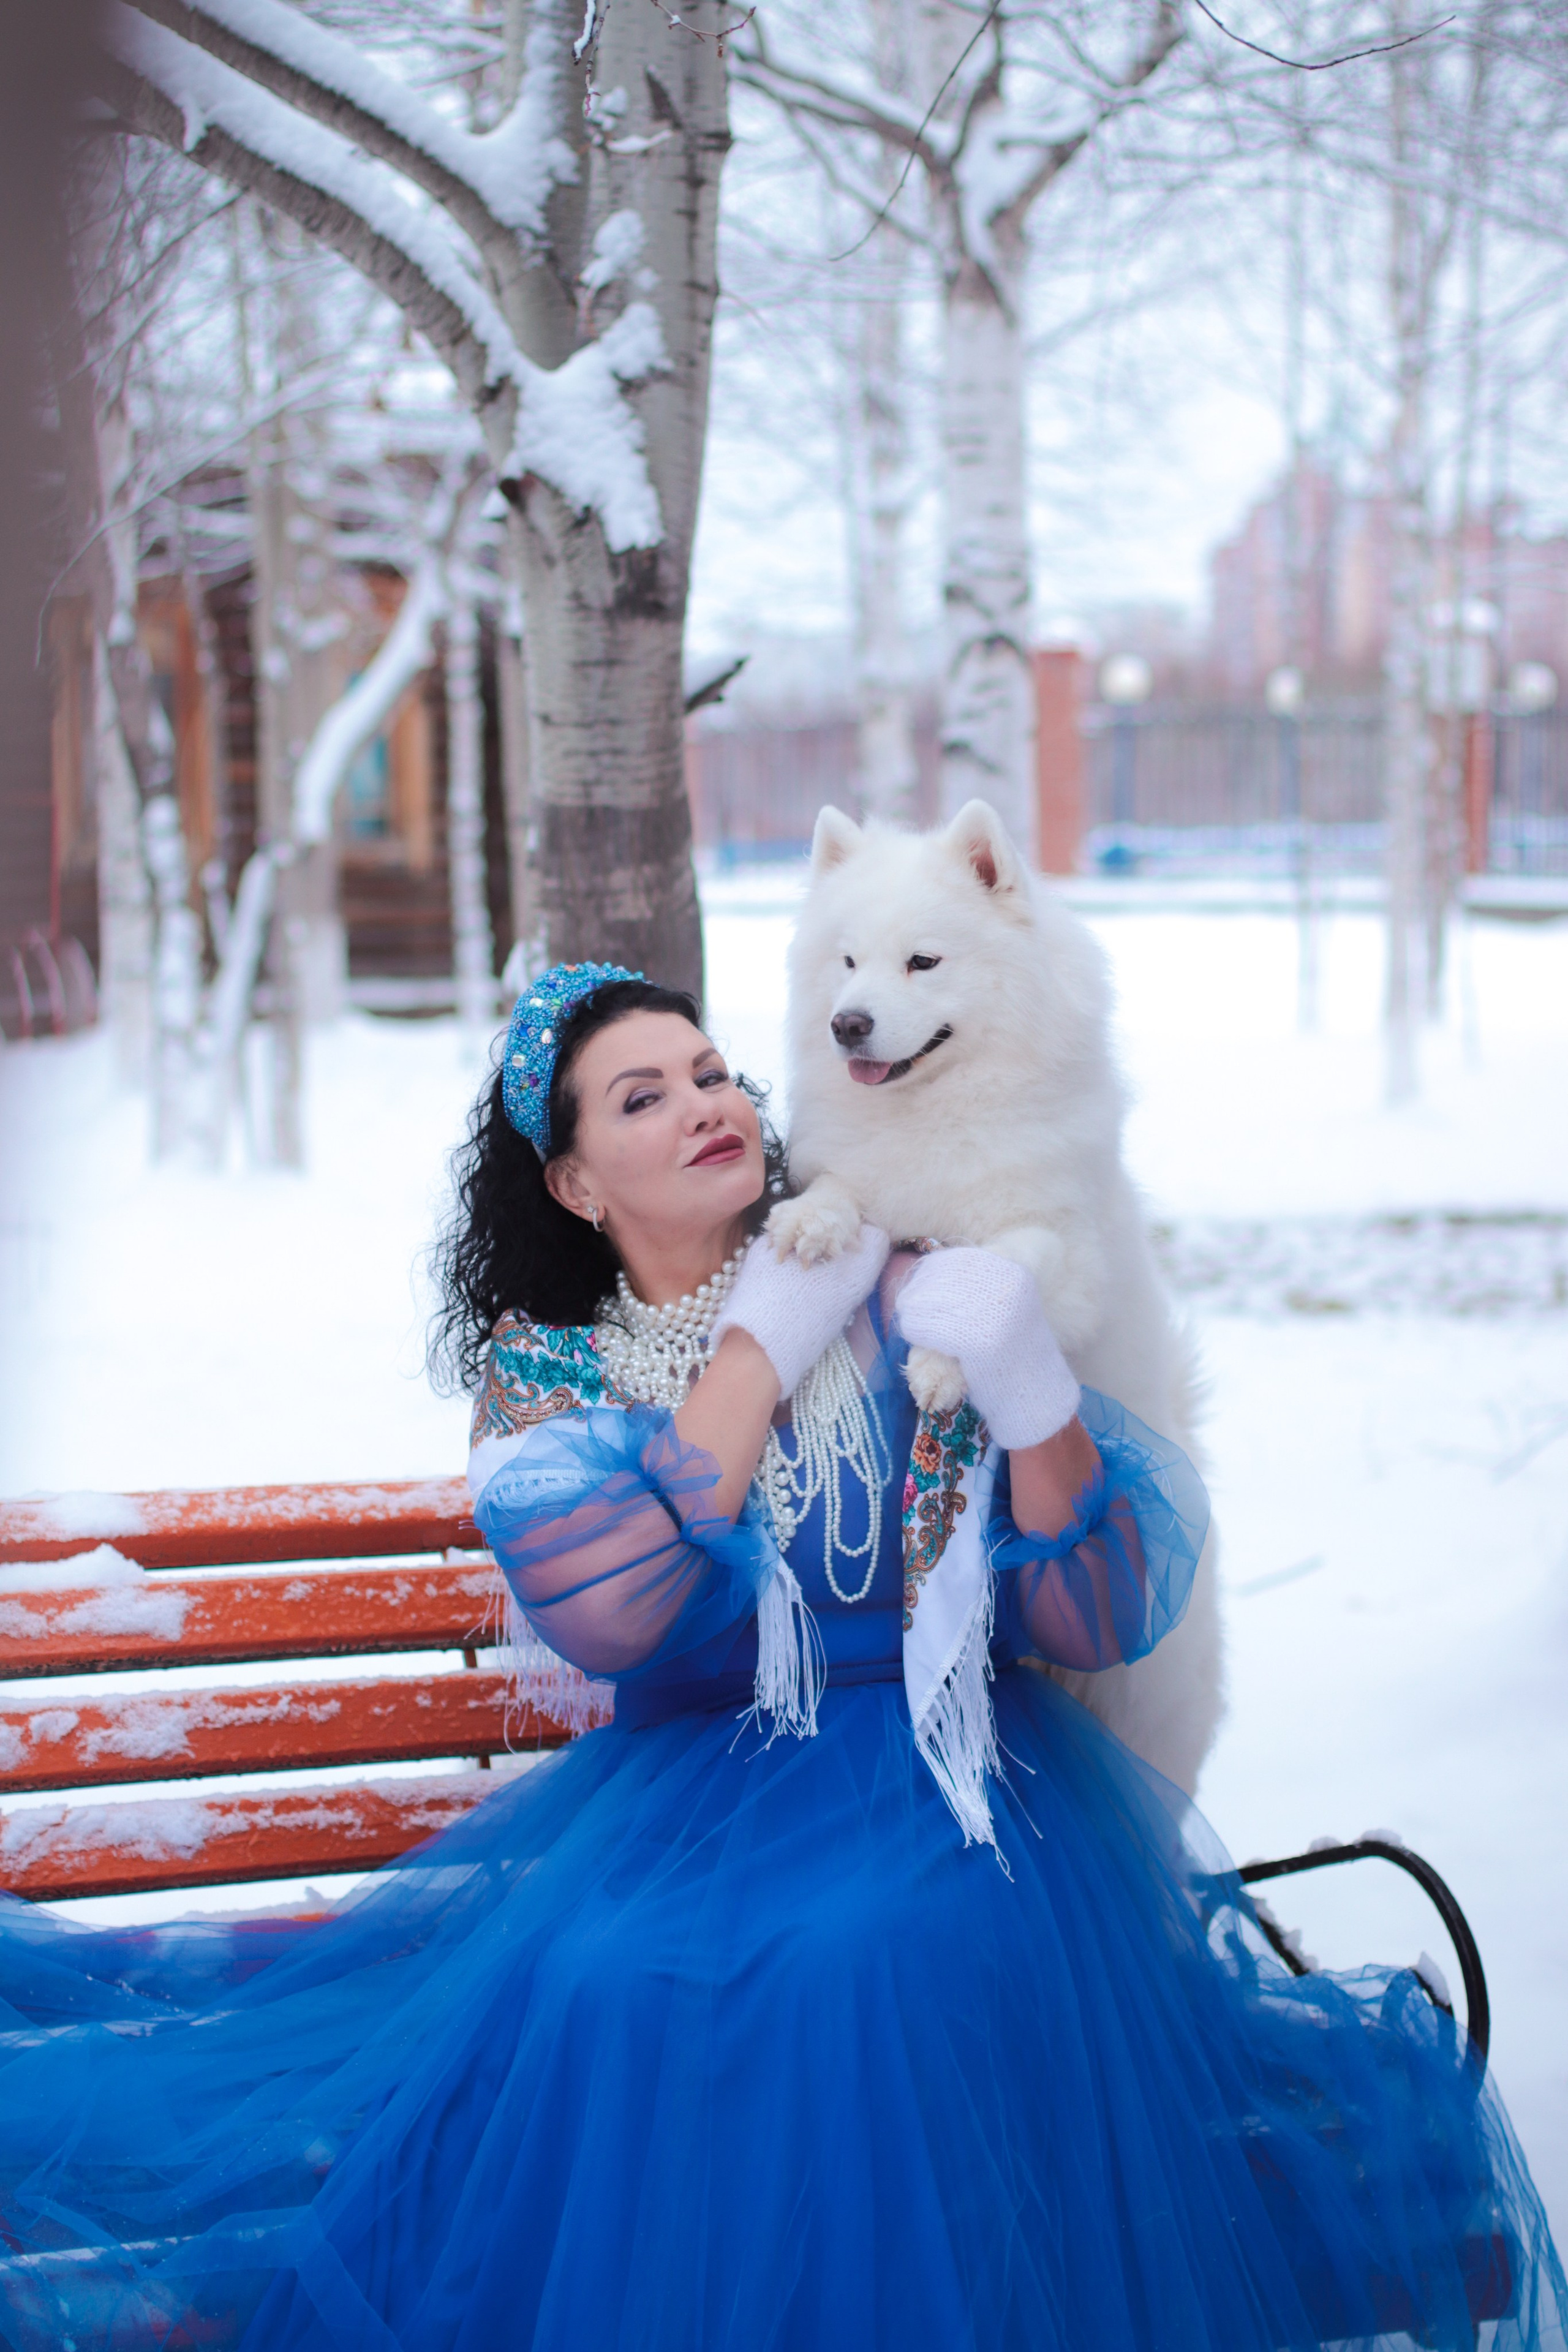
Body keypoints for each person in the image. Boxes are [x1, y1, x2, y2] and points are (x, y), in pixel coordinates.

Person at [0, 963, 1561, 2352]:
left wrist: (1023, 1385)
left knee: (857, 1966)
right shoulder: (554, 1383)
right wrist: (762, 1341)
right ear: (572, 1184)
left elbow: (1088, 1610)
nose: (703, 1105)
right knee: (610, 1980)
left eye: (709, 1071)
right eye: (641, 1096)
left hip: (948, 1786)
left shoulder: (897, 1284)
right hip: (689, 1806)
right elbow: (621, 1611)